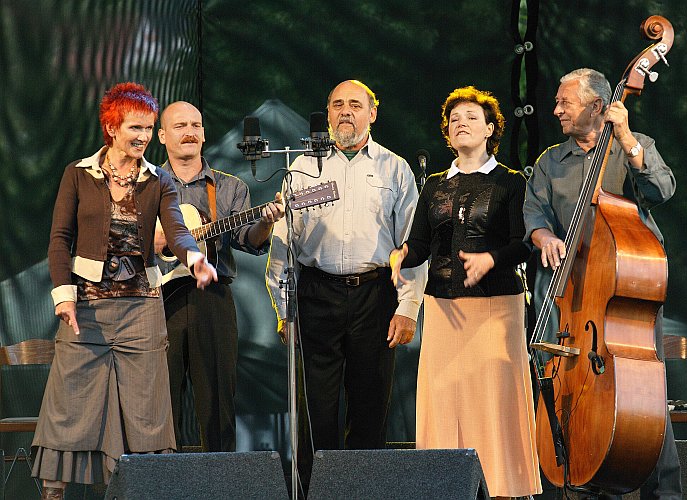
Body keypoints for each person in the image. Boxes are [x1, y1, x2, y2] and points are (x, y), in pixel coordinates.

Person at [32, 83, 218, 500]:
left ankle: (140, 493)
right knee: (69, 408)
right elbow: (60, 238)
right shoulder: (78, 175)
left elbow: (175, 230)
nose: (144, 137)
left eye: (149, 128)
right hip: (87, 311)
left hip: (141, 311)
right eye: (136, 127)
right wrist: (63, 295)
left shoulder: (158, 180)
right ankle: (54, 493)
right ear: (112, 127)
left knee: (146, 414)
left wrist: (194, 259)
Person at [523, 68, 680, 499]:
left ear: (597, 107)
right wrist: (544, 236)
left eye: (565, 103)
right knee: (575, 392)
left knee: (644, 392)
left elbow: (662, 190)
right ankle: (584, 483)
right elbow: (533, 214)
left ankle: (665, 494)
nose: (556, 110)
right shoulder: (550, 161)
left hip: (628, 288)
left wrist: (627, 137)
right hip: (575, 299)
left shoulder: (633, 145)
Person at [265, 80, 427, 490]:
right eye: (337, 104)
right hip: (317, 297)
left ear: (373, 113)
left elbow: (413, 244)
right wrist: (286, 313)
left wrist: (407, 306)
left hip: (375, 296)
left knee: (370, 409)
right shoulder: (302, 170)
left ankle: (362, 493)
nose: (345, 112)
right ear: (327, 114)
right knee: (315, 412)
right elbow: (283, 246)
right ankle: (316, 494)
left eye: (356, 104)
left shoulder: (395, 168)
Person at [389, 86, 542, 499]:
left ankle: (506, 489)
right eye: (455, 118)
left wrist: (491, 259)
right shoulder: (436, 185)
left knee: (493, 400)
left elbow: (523, 242)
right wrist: (401, 255)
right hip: (443, 308)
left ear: (491, 129)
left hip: (496, 307)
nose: (462, 123)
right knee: (442, 399)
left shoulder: (510, 182)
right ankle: (445, 487)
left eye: (472, 117)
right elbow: (420, 244)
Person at [155, 101, 283, 452]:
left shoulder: (228, 188)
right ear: (162, 135)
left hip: (211, 298)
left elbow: (250, 241)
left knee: (217, 404)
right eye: (180, 125)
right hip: (156, 300)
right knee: (159, 403)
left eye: (196, 125)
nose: (190, 132)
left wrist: (267, 221)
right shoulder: (146, 186)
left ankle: (220, 481)